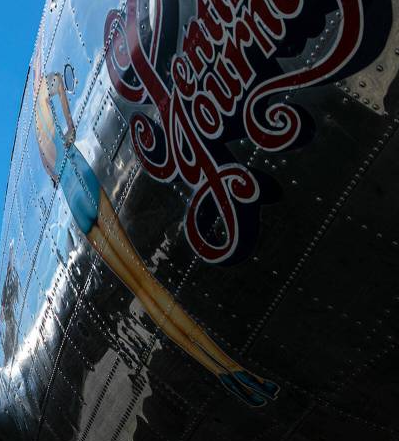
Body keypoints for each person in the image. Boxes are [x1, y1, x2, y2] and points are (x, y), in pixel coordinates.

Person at [33, 62, 279, 407]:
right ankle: (230, 368)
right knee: (149, 284)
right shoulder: (46, 86)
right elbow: (65, 112)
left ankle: (227, 372)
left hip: (75, 198)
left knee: (143, 290)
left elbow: (52, 164)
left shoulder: (37, 125)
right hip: (82, 178)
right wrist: (68, 125)